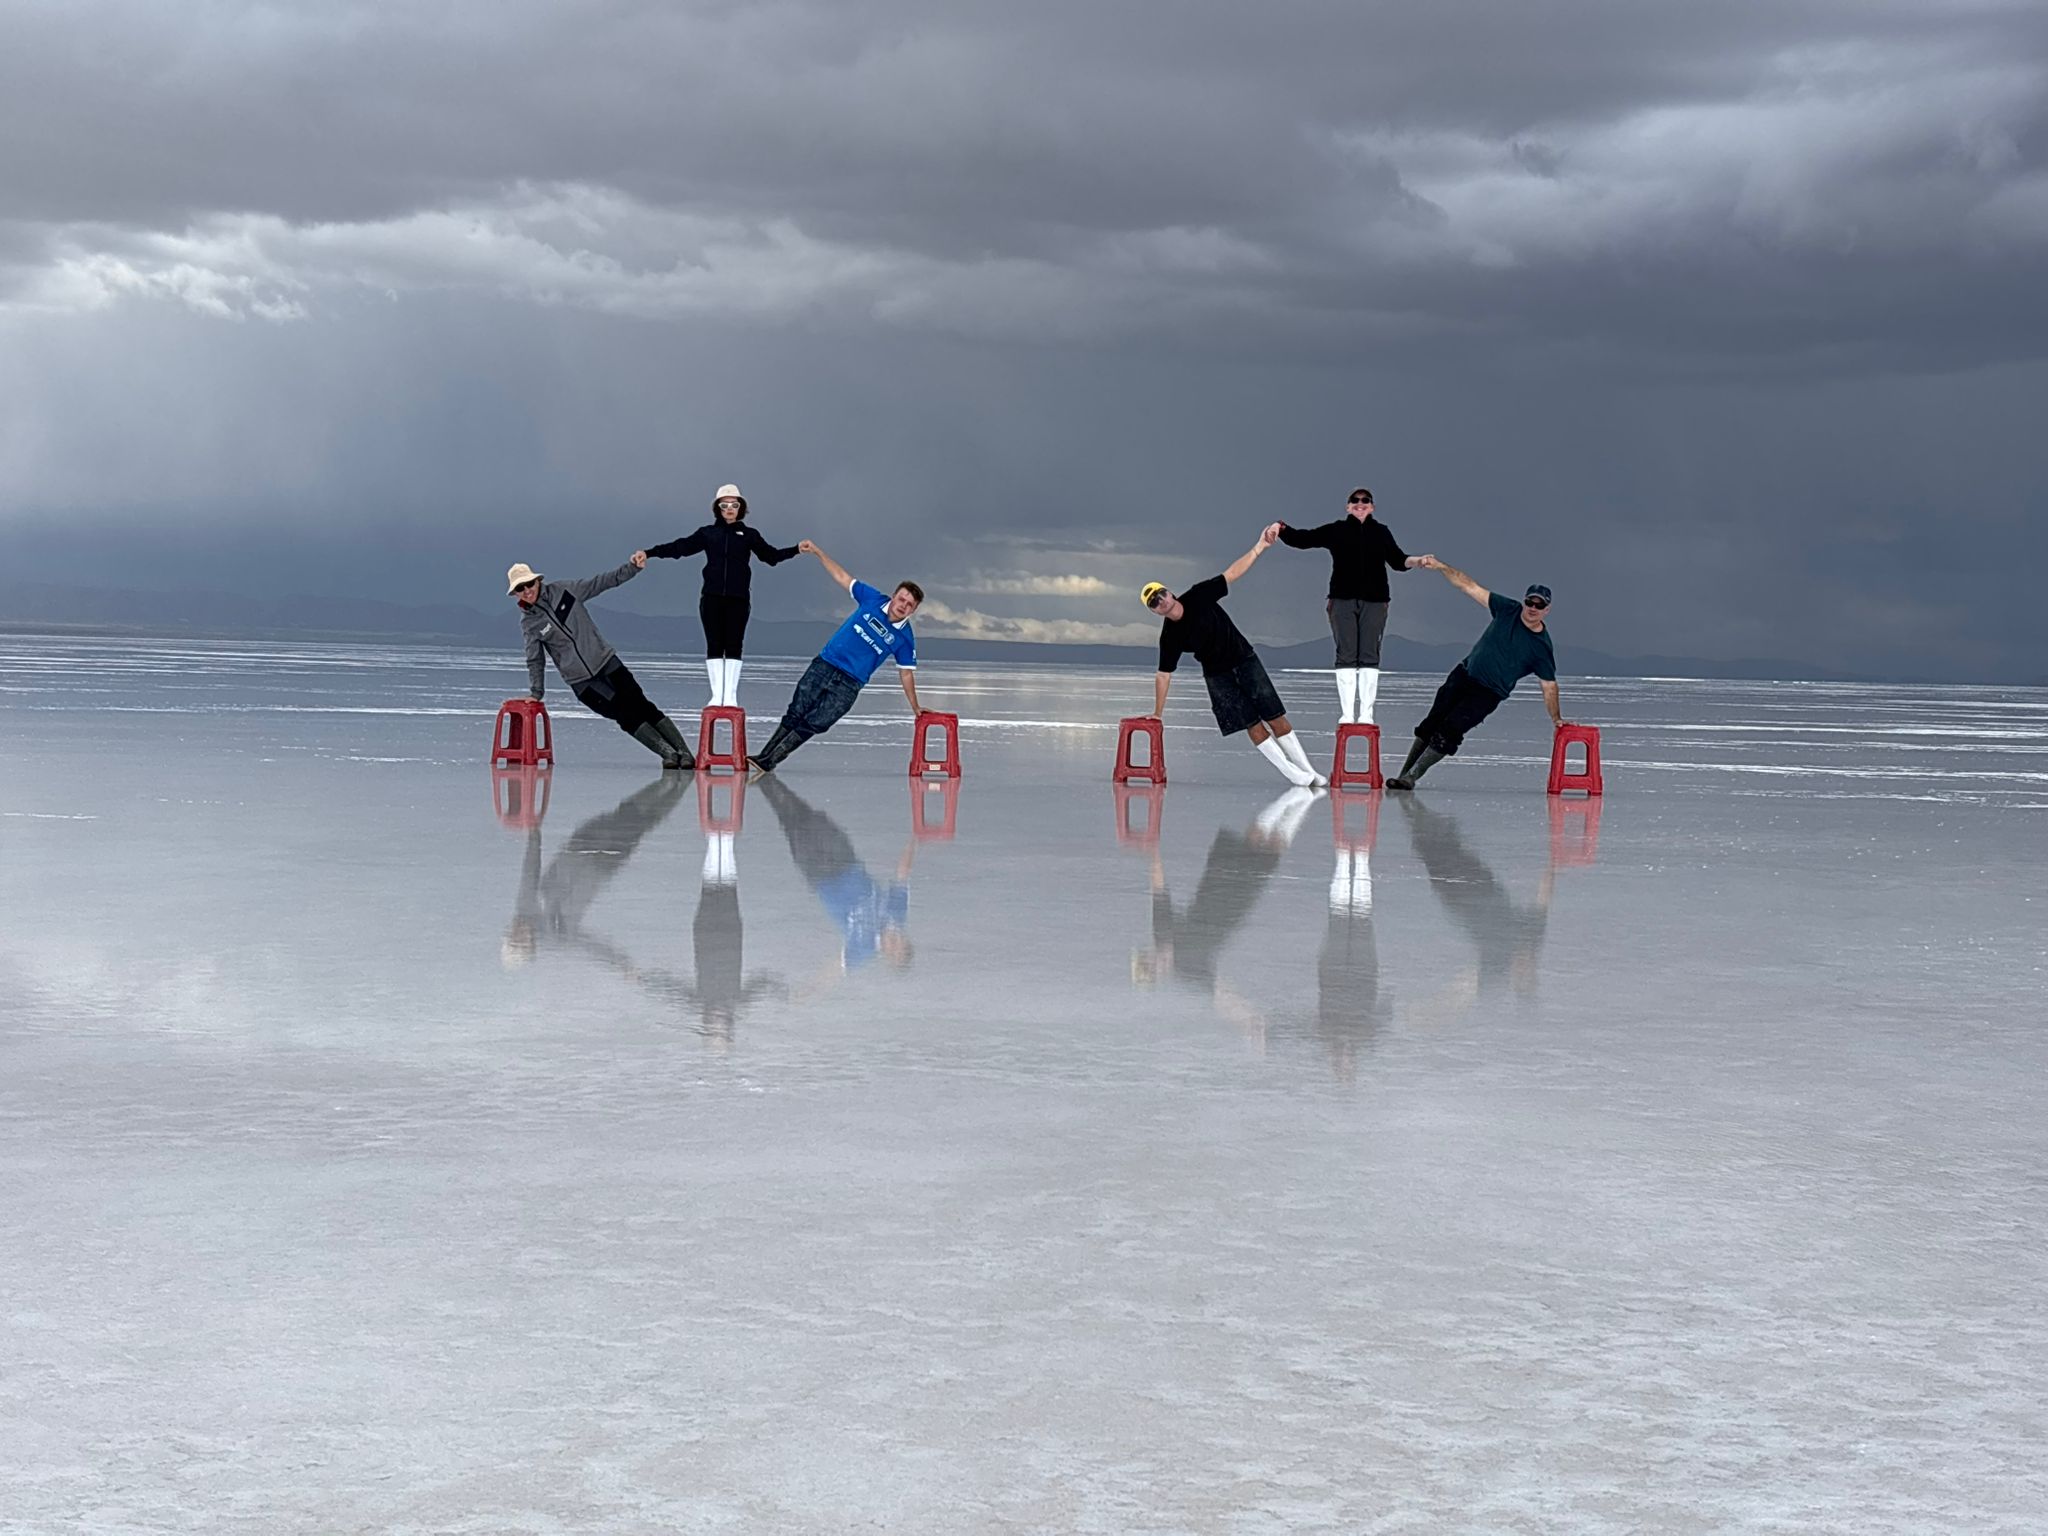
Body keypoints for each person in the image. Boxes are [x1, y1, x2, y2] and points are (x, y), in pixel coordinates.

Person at [1143, 528, 1326, 787]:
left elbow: (1231, 574)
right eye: (1153, 602)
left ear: (1170, 593)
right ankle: (1293, 774)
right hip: (1218, 676)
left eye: (1161, 594)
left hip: (1244, 659)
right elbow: (1164, 674)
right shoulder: (1169, 637)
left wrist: (1259, 547)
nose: (1160, 600)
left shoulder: (1198, 595)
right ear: (1154, 611)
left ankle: (1309, 771)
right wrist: (1158, 712)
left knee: (1275, 717)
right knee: (1251, 724)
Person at [746, 541, 925, 775]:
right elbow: (842, 577)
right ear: (893, 596)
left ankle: (771, 759)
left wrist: (915, 706)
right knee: (796, 711)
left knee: (817, 721)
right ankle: (764, 757)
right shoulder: (872, 599)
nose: (903, 606)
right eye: (902, 599)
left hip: (850, 683)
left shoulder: (905, 638)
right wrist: (819, 553)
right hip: (825, 664)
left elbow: (906, 672)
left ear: (913, 610)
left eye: (910, 605)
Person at [1387, 560, 1567, 790]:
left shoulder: (1541, 647)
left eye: (1539, 605)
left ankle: (1412, 778)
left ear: (1546, 610)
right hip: (1463, 675)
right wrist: (1442, 567)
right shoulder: (1507, 609)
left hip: (1488, 693)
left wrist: (1556, 718)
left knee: (1450, 730)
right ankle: (1403, 775)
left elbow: (1549, 685)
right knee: (1432, 723)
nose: (1532, 607)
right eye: (1529, 602)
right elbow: (1469, 586)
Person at [509, 554, 695, 770]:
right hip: (583, 682)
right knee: (624, 715)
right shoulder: (529, 623)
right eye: (521, 588)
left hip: (607, 663)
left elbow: (602, 582)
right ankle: (668, 753)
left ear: (537, 580)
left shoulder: (565, 591)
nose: (527, 591)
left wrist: (632, 568)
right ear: (516, 594)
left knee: (642, 706)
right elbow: (535, 659)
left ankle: (685, 753)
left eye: (529, 584)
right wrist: (536, 692)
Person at [1267, 487, 1433, 724]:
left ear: (1372, 507)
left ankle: (1366, 714)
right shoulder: (1337, 530)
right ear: (1348, 506)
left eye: (1365, 500)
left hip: (1376, 601)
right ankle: (1347, 714)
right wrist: (1280, 527)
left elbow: (1398, 560)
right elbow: (1303, 539)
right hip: (1342, 600)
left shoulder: (1381, 532)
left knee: (1369, 655)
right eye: (1355, 500)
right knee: (1345, 655)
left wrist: (1418, 561)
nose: (1360, 503)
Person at [640, 482, 801, 709]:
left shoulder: (749, 535)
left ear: (740, 507)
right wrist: (650, 553)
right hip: (712, 597)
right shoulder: (707, 533)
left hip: (738, 598)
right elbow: (680, 548)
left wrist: (796, 549)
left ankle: (731, 696)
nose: (729, 508)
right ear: (718, 507)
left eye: (734, 504)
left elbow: (771, 556)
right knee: (715, 645)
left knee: (734, 645)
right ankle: (717, 696)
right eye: (724, 505)